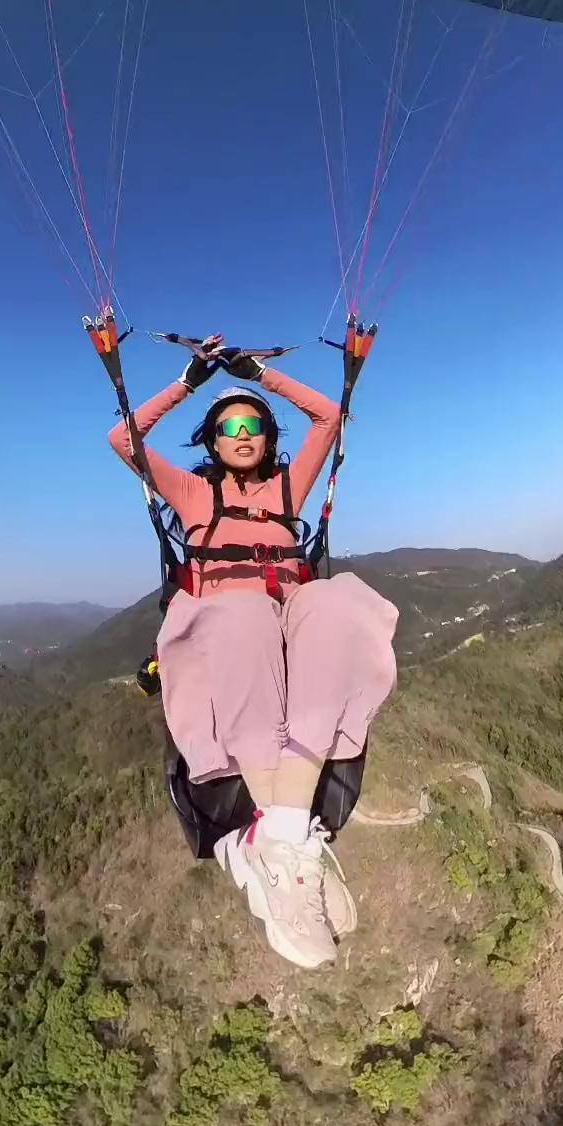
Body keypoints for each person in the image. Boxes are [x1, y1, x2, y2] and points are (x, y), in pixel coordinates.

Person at [109, 339, 398, 969]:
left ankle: (276, 844)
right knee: (241, 612)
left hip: (289, 618)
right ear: (211, 441)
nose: (242, 433)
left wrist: (261, 376)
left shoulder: (290, 492)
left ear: (267, 434)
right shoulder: (191, 495)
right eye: (228, 427)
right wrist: (188, 381)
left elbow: (330, 418)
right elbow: (124, 441)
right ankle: (292, 846)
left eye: (253, 424)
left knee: (340, 601)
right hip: (222, 622)